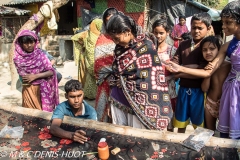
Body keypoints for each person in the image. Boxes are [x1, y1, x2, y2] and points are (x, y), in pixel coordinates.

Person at [166, 1, 240, 139]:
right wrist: (179, 69)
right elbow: (208, 71)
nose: (223, 26)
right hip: (231, 92)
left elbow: (207, 69)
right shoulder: (226, 47)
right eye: (223, 22)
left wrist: (180, 70)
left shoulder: (221, 46)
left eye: (228, 22)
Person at [106, 14, 173, 130]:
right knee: (121, 135)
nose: (115, 42)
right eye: (113, 39)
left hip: (141, 102)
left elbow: (149, 79)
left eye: (117, 38)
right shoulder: (119, 48)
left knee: (139, 137)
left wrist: (124, 82)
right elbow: (116, 72)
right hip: (118, 98)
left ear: (127, 31)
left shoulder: (146, 46)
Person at [170, 12, 212, 133]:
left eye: (200, 28)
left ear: (208, 28)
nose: (196, 31)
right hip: (183, 89)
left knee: (199, 125)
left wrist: (181, 71)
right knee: (180, 123)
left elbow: (204, 70)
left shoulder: (207, 47)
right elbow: (174, 65)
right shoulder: (183, 45)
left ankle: (199, 149)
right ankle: (179, 150)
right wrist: (195, 69)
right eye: (194, 27)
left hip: (199, 91)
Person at [13, 30, 59, 112]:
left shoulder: (41, 55)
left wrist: (35, 76)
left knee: (44, 116)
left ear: (35, 42)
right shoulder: (17, 59)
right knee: (30, 115)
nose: (29, 45)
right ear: (20, 44)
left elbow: (51, 72)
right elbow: (25, 77)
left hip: (44, 89)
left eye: (31, 42)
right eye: (26, 43)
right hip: (29, 89)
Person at [200, 36, 231, 131]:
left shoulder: (229, 66)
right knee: (209, 131)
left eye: (212, 49)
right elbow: (204, 89)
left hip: (225, 102)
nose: (208, 52)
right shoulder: (204, 67)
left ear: (220, 49)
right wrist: (208, 73)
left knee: (226, 132)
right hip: (210, 102)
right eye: (204, 50)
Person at [94, 8, 119, 122]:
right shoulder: (102, 39)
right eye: (107, 21)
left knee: (120, 113)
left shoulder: (123, 36)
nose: (110, 24)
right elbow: (98, 64)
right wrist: (113, 69)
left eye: (113, 20)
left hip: (122, 81)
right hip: (105, 82)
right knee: (103, 111)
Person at [152, 18, 177, 131]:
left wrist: (167, 78)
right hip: (153, 89)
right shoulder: (150, 50)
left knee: (169, 118)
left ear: (167, 33)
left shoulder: (172, 50)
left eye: (161, 33)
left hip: (168, 89)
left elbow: (178, 72)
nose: (158, 36)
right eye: (156, 33)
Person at [71, 18, 103, 100]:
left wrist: (82, 47)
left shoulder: (87, 34)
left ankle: (89, 94)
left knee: (90, 77)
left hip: (89, 59)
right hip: (97, 59)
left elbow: (74, 37)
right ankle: (95, 94)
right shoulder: (102, 36)